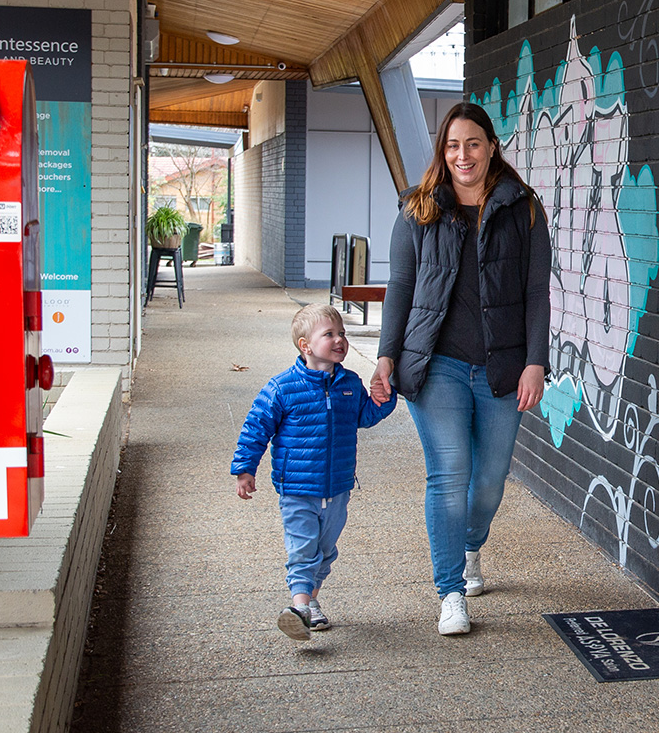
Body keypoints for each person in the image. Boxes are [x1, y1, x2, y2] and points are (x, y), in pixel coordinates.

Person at [371, 103, 551, 636]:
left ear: (491, 146)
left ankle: (471, 545)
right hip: (436, 366)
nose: (462, 154)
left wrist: (535, 362)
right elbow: (400, 289)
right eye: (452, 145)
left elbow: (536, 294)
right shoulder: (419, 208)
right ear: (442, 151)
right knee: (448, 476)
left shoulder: (525, 210)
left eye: (473, 143)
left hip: (502, 365)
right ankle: (449, 591)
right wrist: (386, 356)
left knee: (489, 483)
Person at [231, 303, 395, 641]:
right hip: (297, 488)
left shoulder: (349, 383)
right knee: (303, 548)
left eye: (342, 334)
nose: (339, 340)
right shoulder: (282, 388)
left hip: (337, 486)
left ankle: (311, 603)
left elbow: (363, 417)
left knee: (326, 549)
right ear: (305, 345)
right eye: (329, 334)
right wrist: (245, 469)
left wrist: (383, 399)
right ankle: (300, 607)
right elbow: (255, 428)